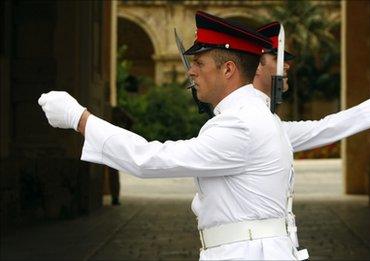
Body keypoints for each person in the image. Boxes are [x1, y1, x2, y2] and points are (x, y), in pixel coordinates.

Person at [38, 11, 304, 260]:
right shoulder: (254, 116)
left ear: (228, 70)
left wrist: (80, 119)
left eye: (199, 62)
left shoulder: (240, 125)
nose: (191, 71)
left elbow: (151, 159)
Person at [252, 21, 370, 257]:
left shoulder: (269, 124)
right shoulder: (244, 125)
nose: (287, 65)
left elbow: (325, 128)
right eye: (277, 58)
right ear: (257, 66)